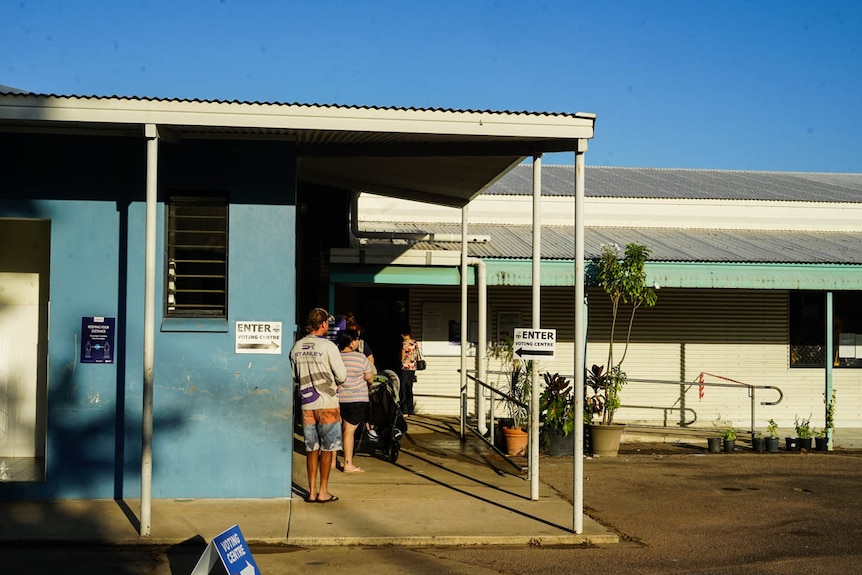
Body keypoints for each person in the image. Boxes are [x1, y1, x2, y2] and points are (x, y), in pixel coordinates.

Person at [290, 307, 346, 503]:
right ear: (323, 324)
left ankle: (311, 491)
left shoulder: (296, 347)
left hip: (307, 405)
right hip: (328, 403)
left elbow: (295, 377)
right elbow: (342, 376)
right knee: (328, 449)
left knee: (311, 448)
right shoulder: (329, 347)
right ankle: (323, 492)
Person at [337, 329, 375, 473]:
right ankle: (348, 463)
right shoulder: (360, 358)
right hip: (357, 399)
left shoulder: (335, 357)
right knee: (349, 432)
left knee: (337, 430)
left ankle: (333, 461)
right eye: (357, 339)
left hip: (338, 398)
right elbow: (370, 378)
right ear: (352, 342)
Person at [399, 324, 420, 417]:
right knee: (409, 388)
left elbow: (402, 358)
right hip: (412, 368)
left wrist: (401, 360)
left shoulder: (404, 343)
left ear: (403, 334)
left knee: (403, 389)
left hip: (405, 367)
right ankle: (411, 409)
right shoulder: (415, 343)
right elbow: (417, 356)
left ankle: (405, 410)